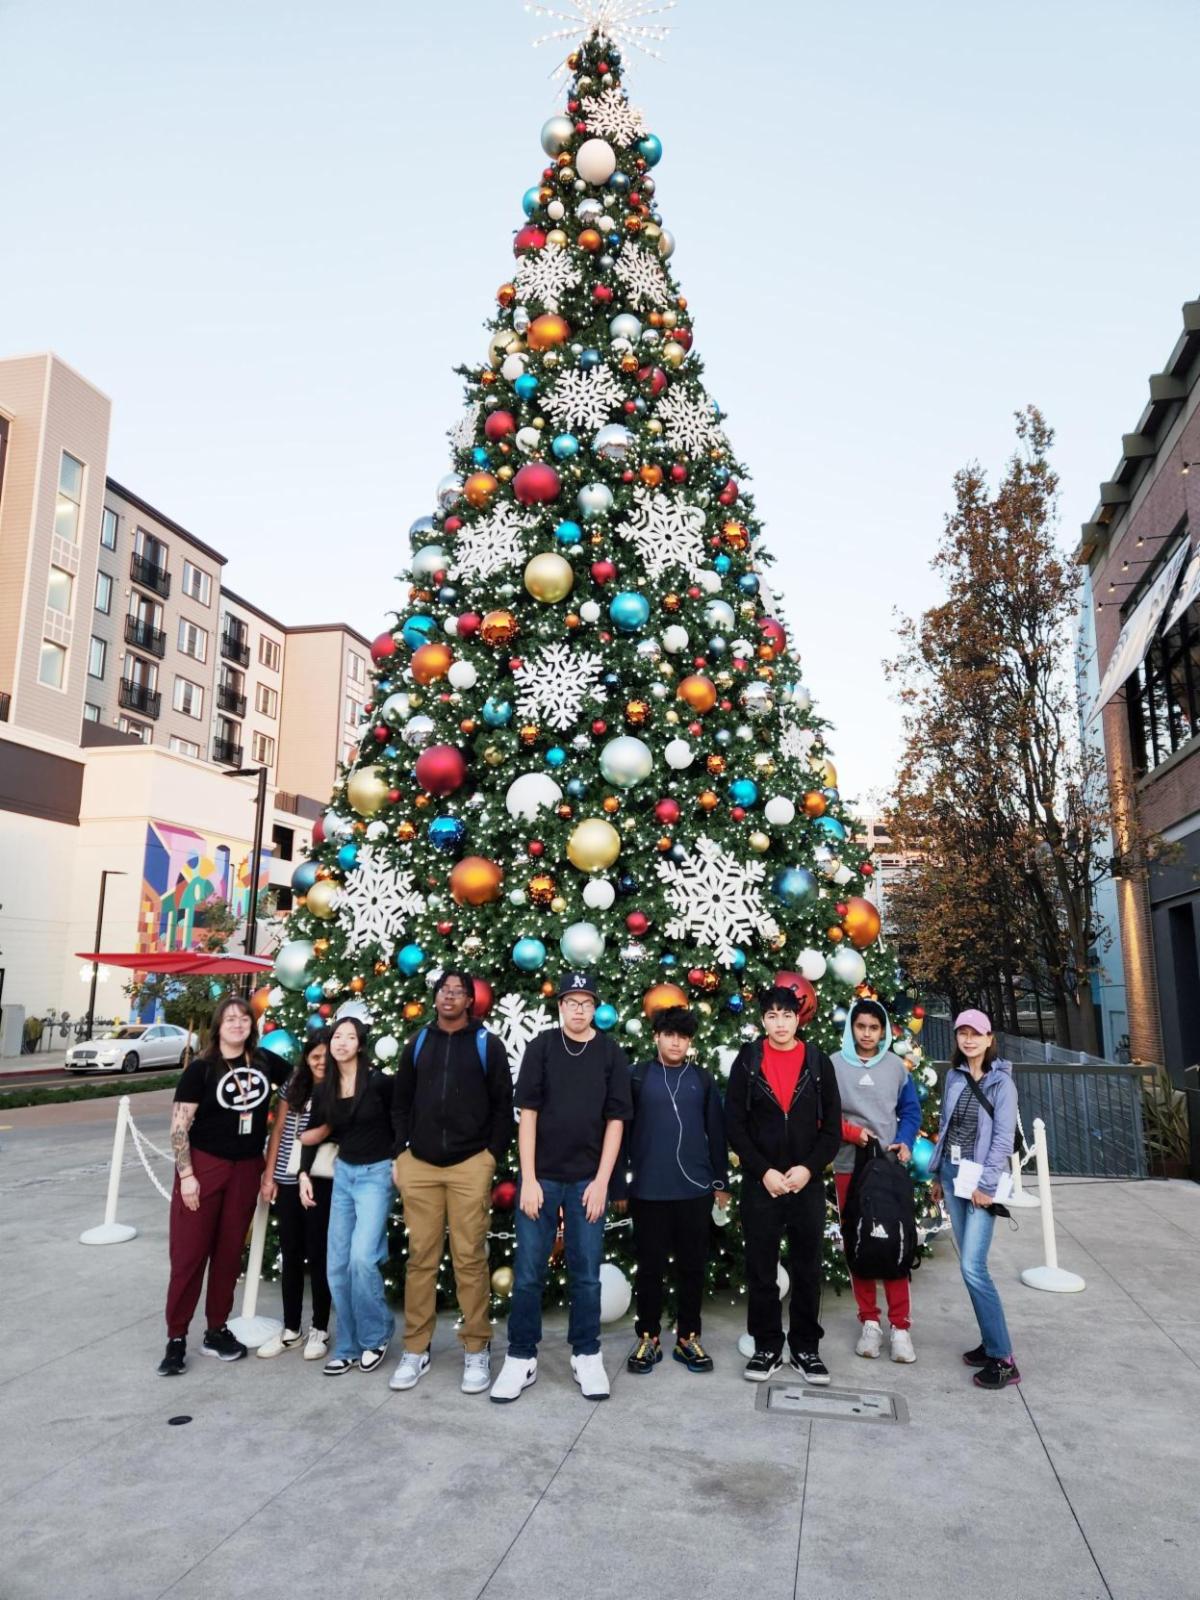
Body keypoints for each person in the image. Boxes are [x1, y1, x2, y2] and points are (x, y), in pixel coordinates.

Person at [490, 972, 633, 1405]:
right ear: (560, 1007)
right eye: (571, 1001)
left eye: (586, 1002)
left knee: (586, 1274)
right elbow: (527, 1116)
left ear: (595, 1008)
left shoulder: (609, 1052)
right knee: (530, 1271)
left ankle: (587, 1353)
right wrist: (529, 1179)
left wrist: (603, 1182)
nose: (578, 1009)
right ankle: (520, 1356)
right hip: (543, 1179)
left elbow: (616, 1121)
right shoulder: (543, 1048)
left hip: (589, 1181)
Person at [389, 969, 514, 1395]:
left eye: (458, 992)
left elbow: (503, 1105)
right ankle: (415, 1349)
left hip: (469, 1166)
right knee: (421, 1260)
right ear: (436, 996)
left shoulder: (486, 1045)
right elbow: (400, 1100)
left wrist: (489, 1156)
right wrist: (401, 1152)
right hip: (420, 1166)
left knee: (470, 1260)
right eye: (444, 990)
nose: (449, 997)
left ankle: (476, 1348)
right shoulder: (418, 1042)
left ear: (469, 1001)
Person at [157, 995, 288, 1376]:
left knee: (229, 1255)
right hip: (205, 1166)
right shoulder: (202, 1069)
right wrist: (187, 1177)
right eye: (229, 1019)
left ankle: (217, 1328)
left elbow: (300, 1082)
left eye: (243, 1019)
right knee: (189, 1256)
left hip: (247, 1168)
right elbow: (179, 1127)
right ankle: (177, 1337)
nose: (237, 1024)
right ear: (219, 1026)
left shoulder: (264, 1062)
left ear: (251, 1025)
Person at [725, 985, 841, 1386]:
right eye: (772, 1016)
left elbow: (832, 1132)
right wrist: (763, 1172)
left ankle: (806, 1347)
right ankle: (767, 1347)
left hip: (805, 1185)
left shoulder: (817, 1062)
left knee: (808, 1268)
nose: (780, 1023)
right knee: (761, 1269)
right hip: (763, 1185)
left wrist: (808, 1170)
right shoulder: (748, 1060)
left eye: (786, 1016)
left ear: (798, 1019)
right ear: (763, 1020)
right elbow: (734, 1126)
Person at [620, 1006, 728, 1376]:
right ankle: (648, 1336)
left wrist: (720, 1183)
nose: (676, 1042)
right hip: (649, 1191)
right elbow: (620, 1134)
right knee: (649, 1268)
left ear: (690, 1041)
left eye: (682, 1036)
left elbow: (717, 1132)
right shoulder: (637, 1077)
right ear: (656, 1037)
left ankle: (688, 1336)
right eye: (669, 1035)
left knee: (692, 1268)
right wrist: (620, 1181)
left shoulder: (703, 1079)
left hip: (695, 1191)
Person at [929, 1009, 1021, 1391]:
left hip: (981, 1184)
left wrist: (986, 1184)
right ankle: (989, 1343)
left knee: (973, 1267)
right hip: (953, 1178)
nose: (968, 1040)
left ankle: (1004, 1358)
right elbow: (945, 1127)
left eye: (975, 1034)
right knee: (970, 1268)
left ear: (989, 1038)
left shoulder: (1002, 1084)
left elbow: (1001, 1139)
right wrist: (936, 1174)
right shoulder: (953, 1076)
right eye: (962, 1034)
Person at [301, 1015, 396, 1377]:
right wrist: (303, 1171)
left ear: (360, 1044)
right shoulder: (324, 1088)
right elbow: (317, 1130)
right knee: (335, 1264)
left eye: (349, 1036)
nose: (341, 1042)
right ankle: (347, 1345)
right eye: (336, 1036)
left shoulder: (379, 1083)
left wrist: (399, 1158)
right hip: (344, 1174)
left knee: (361, 1259)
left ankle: (376, 1335)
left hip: (376, 1174)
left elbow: (401, 1118)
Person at [832, 999, 922, 1363]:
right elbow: (822, 1116)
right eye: (861, 1027)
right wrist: (851, 1132)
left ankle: (900, 1327)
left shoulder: (896, 1069)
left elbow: (911, 1110)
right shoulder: (834, 1066)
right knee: (859, 1244)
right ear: (851, 1029)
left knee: (895, 1244)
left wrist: (905, 1139)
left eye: (874, 1027)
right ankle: (869, 1321)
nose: (867, 1034)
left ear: (883, 1030)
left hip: (888, 1169)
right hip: (848, 1167)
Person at [257, 1029, 335, 1363]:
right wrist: (269, 1174)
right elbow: (278, 1130)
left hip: (323, 1177)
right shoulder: (294, 1084)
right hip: (288, 1178)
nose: (320, 1061)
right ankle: (291, 1328)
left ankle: (320, 1326)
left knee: (319, 1253)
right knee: (290, 1252)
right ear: (306, 1057)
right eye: (314, 1055)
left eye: (325, 1055)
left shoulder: (342, 1086)